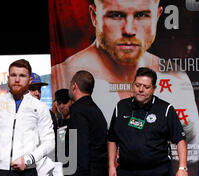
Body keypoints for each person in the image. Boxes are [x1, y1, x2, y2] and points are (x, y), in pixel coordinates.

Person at [52, 0, 199, 149]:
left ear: (157, 15)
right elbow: (64, 143)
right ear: (94, 16)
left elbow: (191, 149)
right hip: (95, 169)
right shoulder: (65, 75)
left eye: (142, 15)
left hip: (152, 169)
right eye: (116, 15)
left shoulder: (175, 77)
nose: (129, 30)